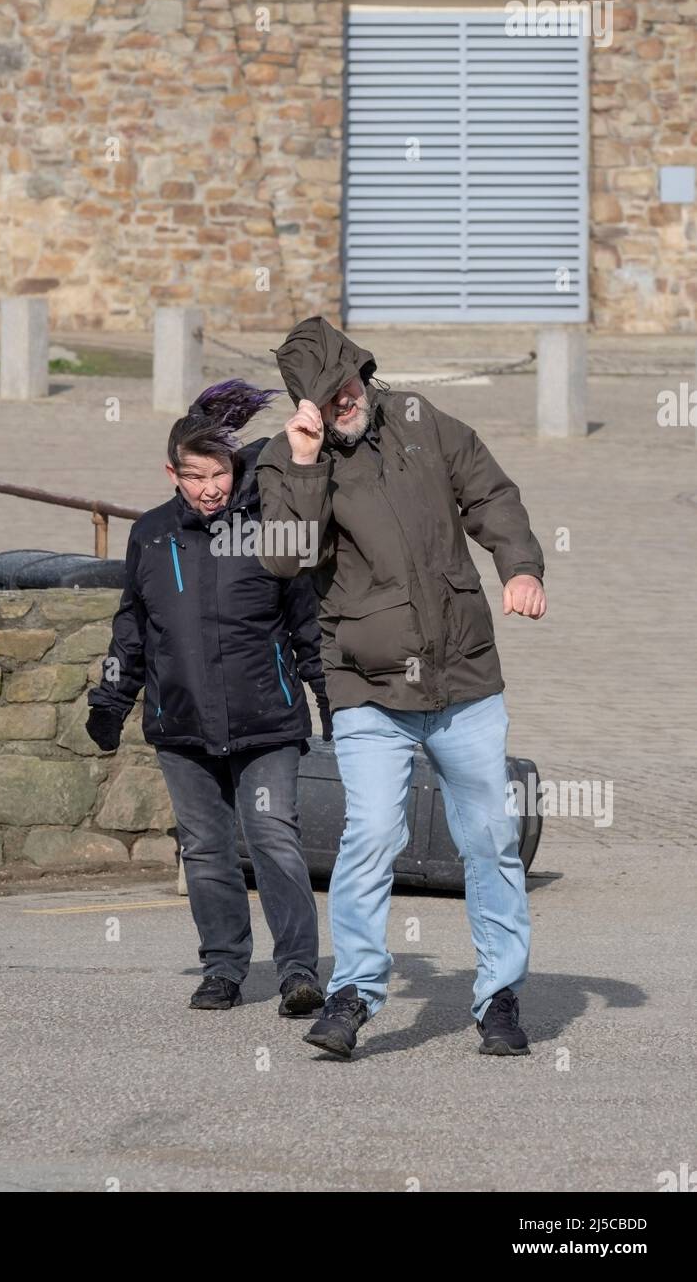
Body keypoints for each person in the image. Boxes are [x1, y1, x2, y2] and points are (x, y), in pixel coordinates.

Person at [255, 316, 547, 1059]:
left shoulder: (423, 420)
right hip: (366, 686)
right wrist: (307, 462)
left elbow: (491, 494)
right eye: (325, 396)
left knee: (489, 840)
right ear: (306, 407)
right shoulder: (282, 461)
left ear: (364, 372)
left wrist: (519, 566)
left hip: (464, 676)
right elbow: (287, 558)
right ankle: (353, 994)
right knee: (372, 837)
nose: (342, 400)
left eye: (347, 383)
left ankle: (500, 998)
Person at [86, 380, 330, 1017]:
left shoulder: (270, 531)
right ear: (173, 473)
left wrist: (332, 700)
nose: (209, 488)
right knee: (205, 849)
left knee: (274, 837)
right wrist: (111, 699)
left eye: (218, 472)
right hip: (182, 724)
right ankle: (222, 968)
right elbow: (132, 626)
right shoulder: (151, 535)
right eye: (194, 476)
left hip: (267, 722)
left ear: (235, 466)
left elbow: (306, 623)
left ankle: (299, 971)